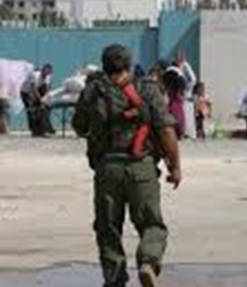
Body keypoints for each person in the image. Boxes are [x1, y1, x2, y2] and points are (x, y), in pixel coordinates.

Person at [72, 44, 182, 287]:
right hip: (141, 166)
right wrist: (175, 167)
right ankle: (148, 262)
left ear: (104, 65)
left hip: (107, 168)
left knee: (107, 228)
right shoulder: (148, 89)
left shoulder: (92, 92)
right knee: (152, 223)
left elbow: (79, 126)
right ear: (129, 64)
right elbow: (166, 130)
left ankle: (115, 279)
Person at [20, 63, 54, 137]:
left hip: (36, 92)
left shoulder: (48, 77)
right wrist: (40, 100)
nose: (46, 75)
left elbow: (46, 89)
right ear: (42, 70)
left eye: (48, 73)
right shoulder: (35, 75)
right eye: (45, 72)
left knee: (43, 109)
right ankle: (34, 131)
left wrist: (47, 99)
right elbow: (33, 89)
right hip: (26, 92)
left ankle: (42, 129)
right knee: (31, 111)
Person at [163, 66, 187, 139]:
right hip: (176, 107)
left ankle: (177, 133)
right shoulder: (179, 86)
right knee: (179, 120)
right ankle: (179, 133)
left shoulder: (170, 89)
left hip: (172, 107)